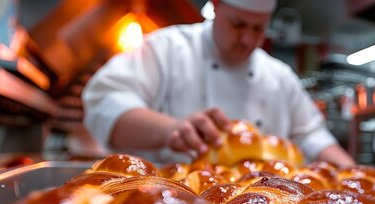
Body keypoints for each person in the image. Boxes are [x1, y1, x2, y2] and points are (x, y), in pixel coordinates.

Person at [82, 0, 355, 167]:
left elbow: (312, 136)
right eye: (238, 24)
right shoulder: (168, 48)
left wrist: (352, 170)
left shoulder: (279, 75)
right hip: (173, 200)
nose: (247, 39)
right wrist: (172, 130)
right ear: (216, 6)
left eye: (258, 29)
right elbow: (105, 102)